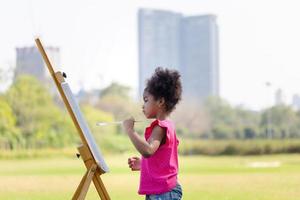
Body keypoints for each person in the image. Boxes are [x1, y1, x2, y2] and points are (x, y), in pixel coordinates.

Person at [123, 67, 183, 200]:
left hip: (163, 193)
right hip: (161, 191)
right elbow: (162, 159)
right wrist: (143, 164)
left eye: (146, 100)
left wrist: (130, 130)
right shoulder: (168, 125)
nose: (142, 105)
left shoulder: (160, 127)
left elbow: (148, 150)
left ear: (160, 102)